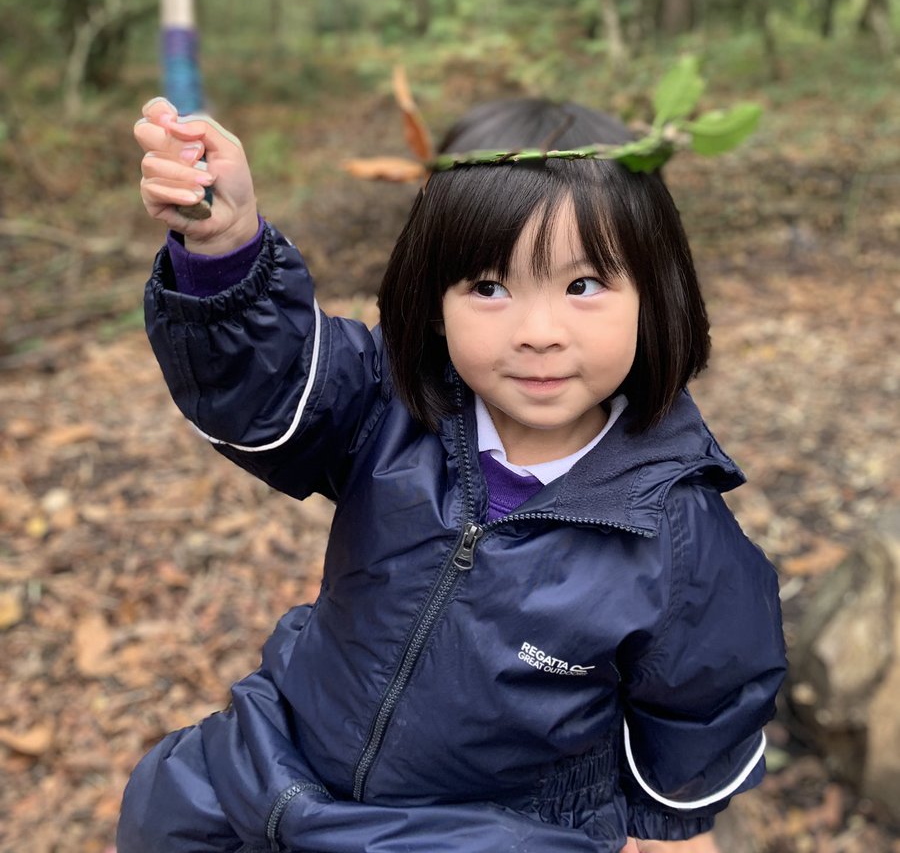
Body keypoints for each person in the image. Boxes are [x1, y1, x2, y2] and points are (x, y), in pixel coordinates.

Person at [120, 93, 786, 853]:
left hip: (488, 829)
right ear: (435, 301)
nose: (539, 334)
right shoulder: (390, 403)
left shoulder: (678, 536)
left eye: (584, 286)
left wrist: (673, 830)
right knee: (164, 809)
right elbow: (270, 390)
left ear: (653, 295)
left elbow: (706, 703)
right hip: (284, 759)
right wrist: (225, 244)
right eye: (490, 287)